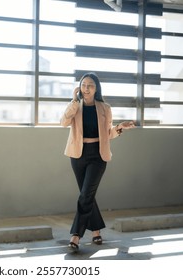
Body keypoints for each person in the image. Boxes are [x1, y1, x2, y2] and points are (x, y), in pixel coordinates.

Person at [60, 72, 135, 251]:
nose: (86, 88)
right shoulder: (75, 106)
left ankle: (76, 235)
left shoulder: (104, 108)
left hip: (98, 155)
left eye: (90, 85)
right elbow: (63, 123)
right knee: (87, 195)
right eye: (84, 85)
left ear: (96, 88)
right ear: (79, 87)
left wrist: (119, 128)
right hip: (78, 154)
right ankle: (96, 231)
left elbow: (107, 134)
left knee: (86, 194)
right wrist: (73, 101)